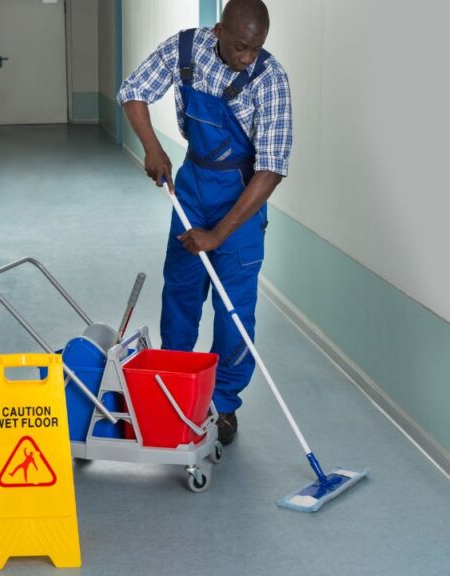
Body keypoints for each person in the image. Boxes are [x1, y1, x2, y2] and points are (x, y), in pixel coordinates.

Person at [117, 0, 292, 446]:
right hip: (193, 186)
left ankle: (224, 405)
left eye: (256, 49)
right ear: (218, 31)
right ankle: (176, 390)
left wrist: (218, 234)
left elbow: (269, 170)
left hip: (243, 197)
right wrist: (153, 148)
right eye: (240, 47)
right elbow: (133, 91)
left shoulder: (270, 80)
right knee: (181, 292)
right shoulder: (185, 51)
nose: (247, 57)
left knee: (234, 310)